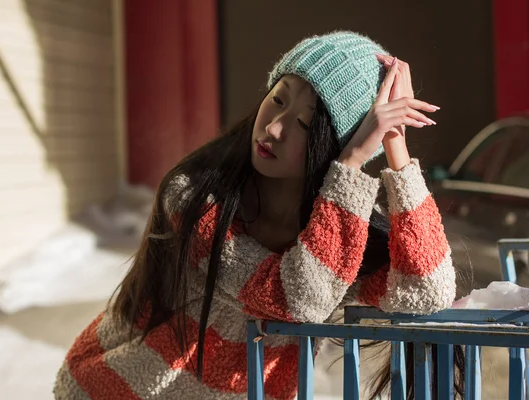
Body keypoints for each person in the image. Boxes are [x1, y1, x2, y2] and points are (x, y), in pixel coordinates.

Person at [54, 30, 457, 399]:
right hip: (111, 387)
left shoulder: (338, 232)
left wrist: (395, 147)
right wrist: (351, 162)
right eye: (278, 99)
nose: (275, 129)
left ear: (332, 148)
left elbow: (428, 290)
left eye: (302, 123)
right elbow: (298, 300)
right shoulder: (195, 200)